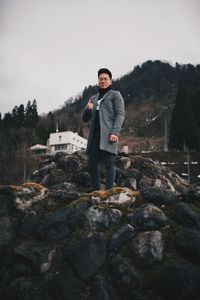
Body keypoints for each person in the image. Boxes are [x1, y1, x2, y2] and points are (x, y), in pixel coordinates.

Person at [82, 68, 125, 191]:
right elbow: (84, 118)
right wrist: (87, 109)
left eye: (105, 79)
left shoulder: (115, 95)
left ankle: (109, 192)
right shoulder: (93, 98)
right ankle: (97, 192)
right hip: (94, 136)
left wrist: (115, 132)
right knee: (91, 164)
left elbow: (120, 114)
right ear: (98, 81)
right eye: (100, 79)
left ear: (110, 81)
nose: (103, 81)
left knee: (109, 163)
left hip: (108, 135)